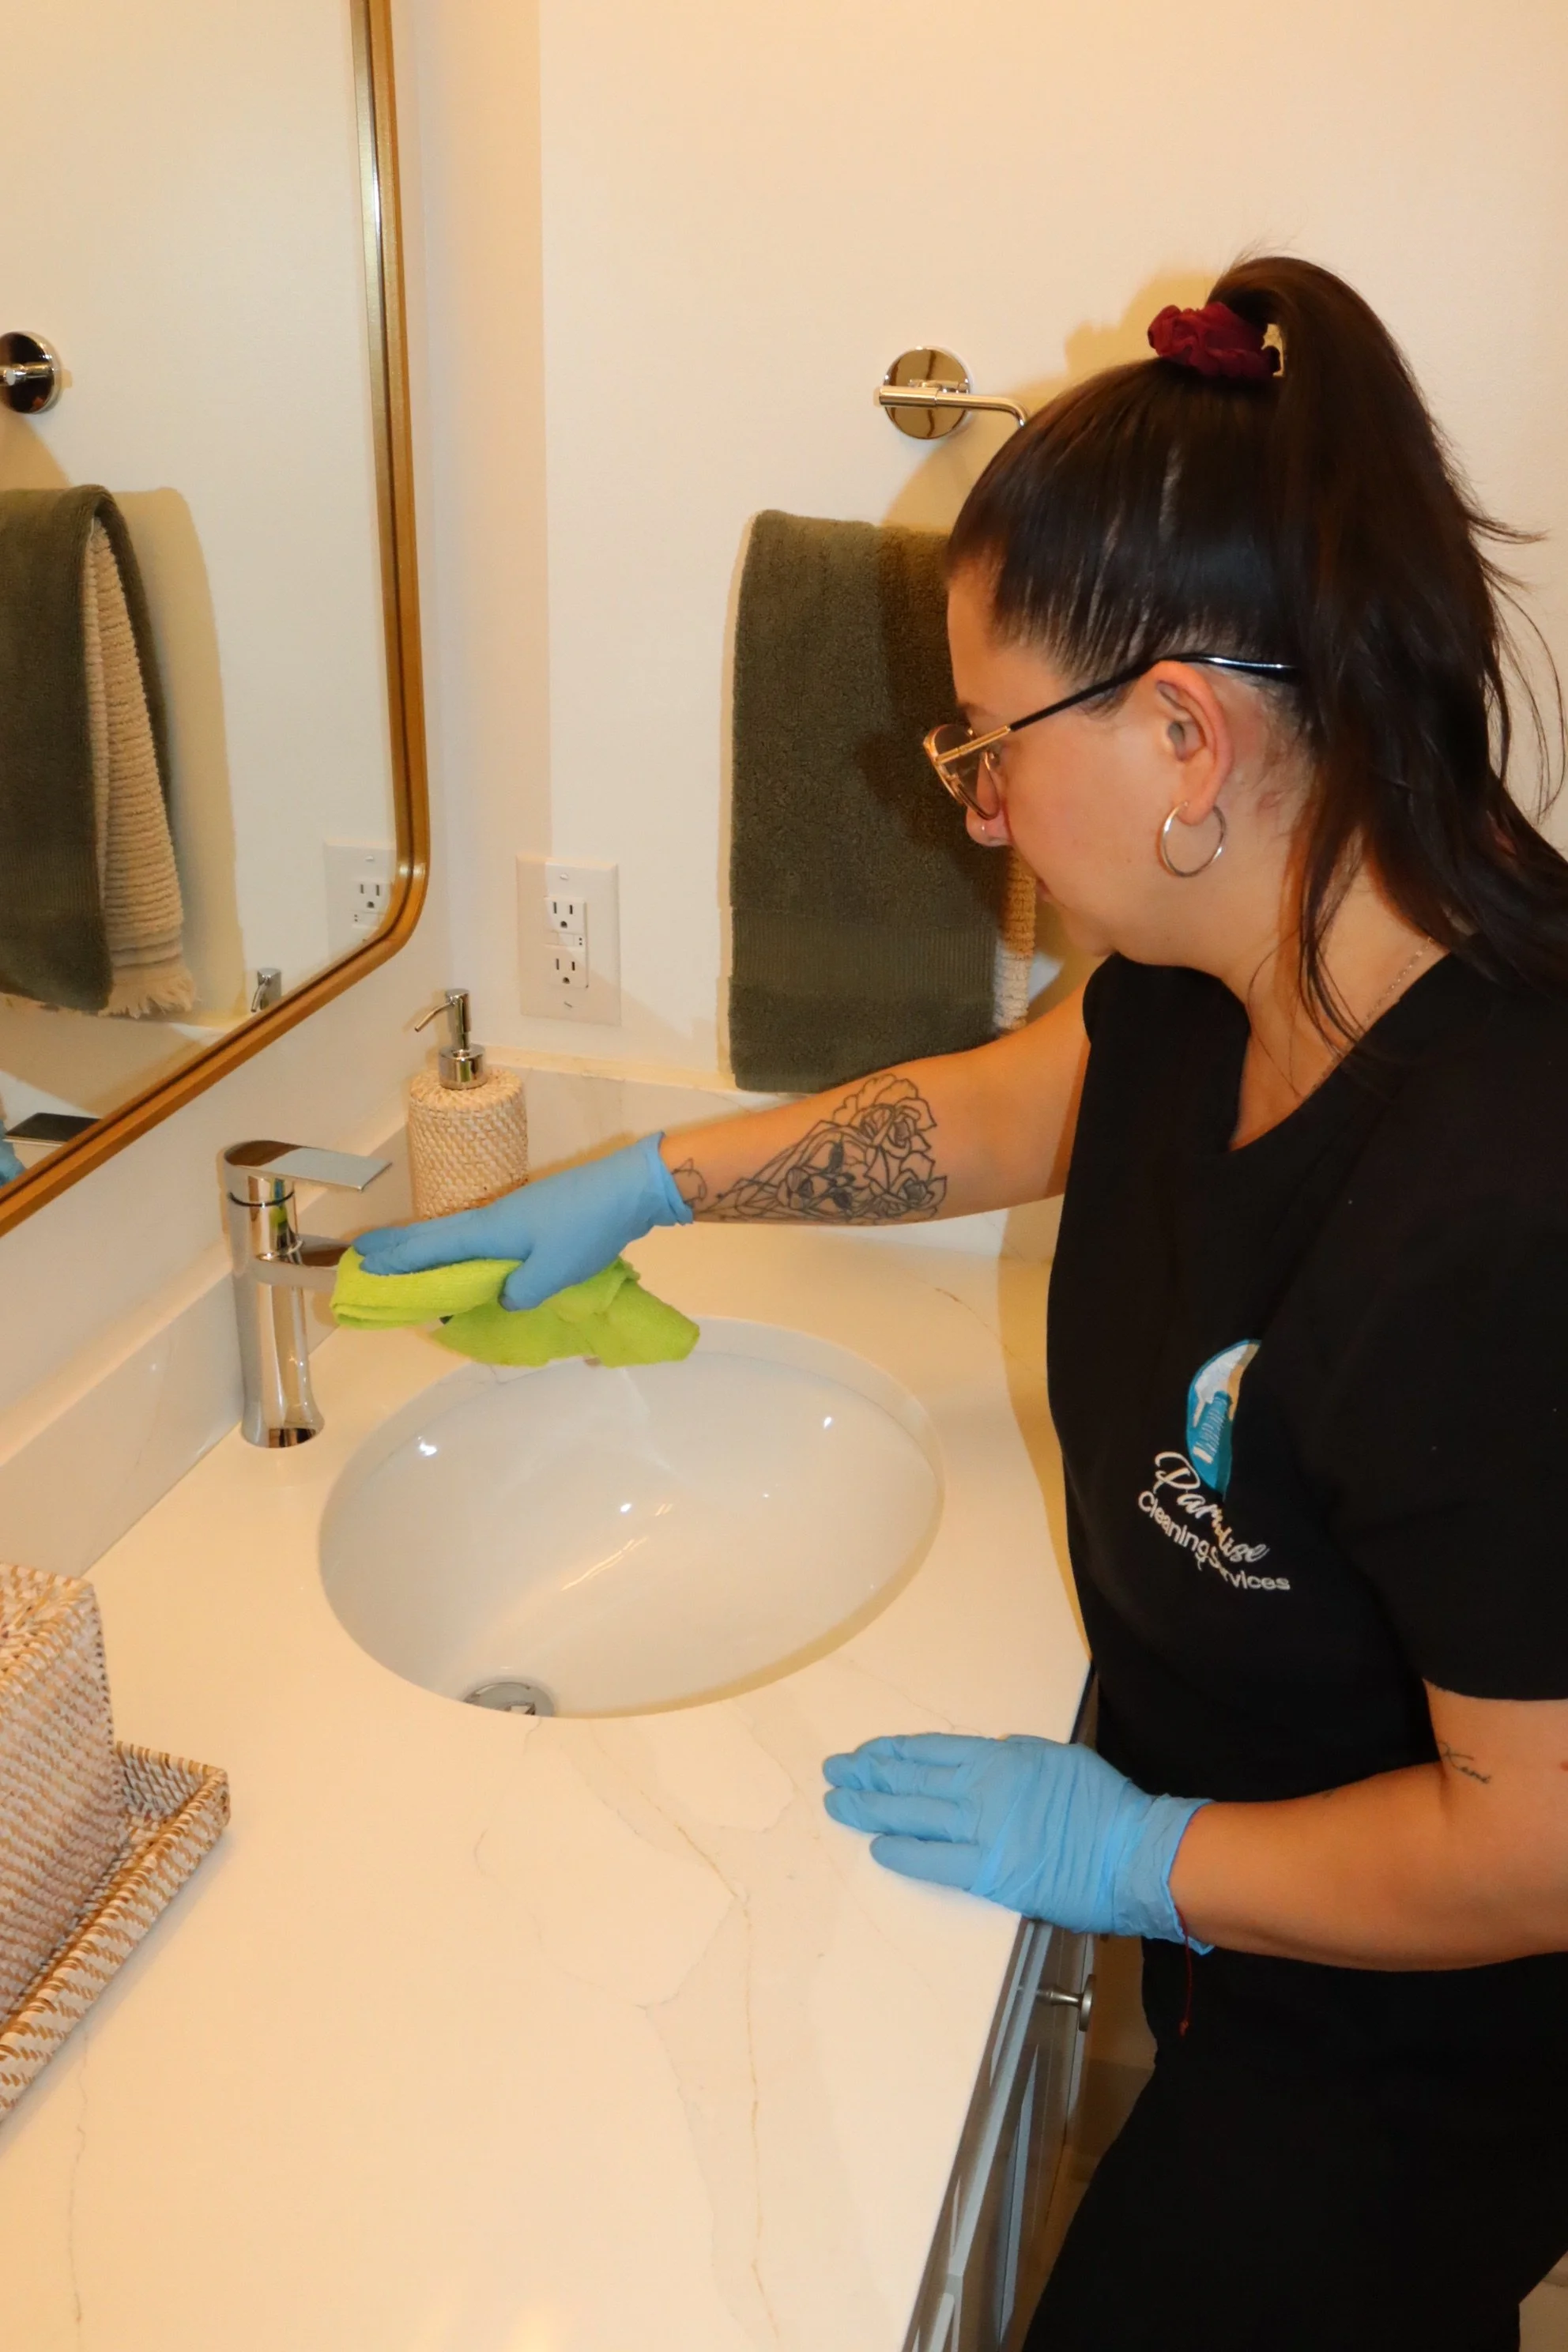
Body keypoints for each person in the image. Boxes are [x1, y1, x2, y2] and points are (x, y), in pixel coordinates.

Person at [358, 256, 1568, 2349]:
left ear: (1187, 735)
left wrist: (1136, 1860)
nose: (975, 801)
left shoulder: (1497, 1200)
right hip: (1242, 1912)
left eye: (994, 741)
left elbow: (1536, 1847)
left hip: (1429, 2030)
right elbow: (1030, 1103)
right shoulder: (1240, 954)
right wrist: (653, 1183)